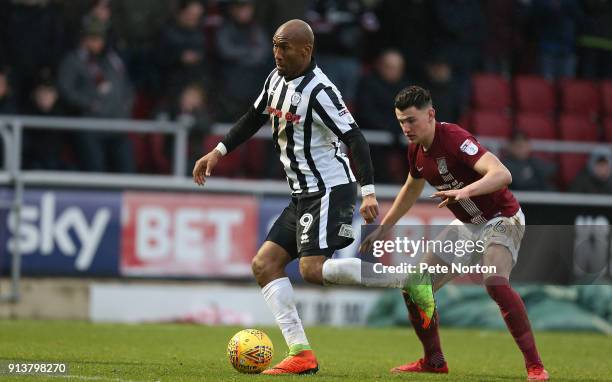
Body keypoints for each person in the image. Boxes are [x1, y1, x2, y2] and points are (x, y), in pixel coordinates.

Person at [193, 19, 385, 375]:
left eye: (284, 47)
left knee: (312, 269)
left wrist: (368, 192)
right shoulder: (274, 79)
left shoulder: (321, 90)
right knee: (264, 265)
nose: (277, 54)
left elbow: (355, 138)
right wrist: (218, 151)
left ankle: (404, 278)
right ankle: (301, 353)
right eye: (274, 46)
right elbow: (253, 118)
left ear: (306, 50)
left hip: (330, 188)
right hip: (301, 194)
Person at [360, 86, 549, 380]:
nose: (406, 128)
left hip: (502, 218)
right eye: (401, 122)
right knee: (415, 286)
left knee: (495, 282)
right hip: (468, 225)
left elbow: (502, 174)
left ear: (431, 114)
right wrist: (385, 227)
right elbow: (411, 188)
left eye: (411, 120)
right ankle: (434, 361)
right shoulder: (416, 150)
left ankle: (535, 366)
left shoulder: (454, 138)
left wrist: (465, 191)